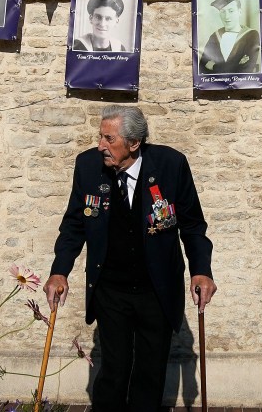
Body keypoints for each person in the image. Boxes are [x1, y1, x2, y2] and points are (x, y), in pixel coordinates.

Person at [43, 105, 216, 412]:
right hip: (110, 288)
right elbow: (74, 224)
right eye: (100, 137)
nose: (100, 146)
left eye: (109, 139)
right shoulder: (88, 166)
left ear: (134, 143)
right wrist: (60, 271)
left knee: (150, 375)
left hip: (157, 288)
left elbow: (191, 225)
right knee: (113, 370)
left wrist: (201, 270)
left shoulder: (170, 165)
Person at [199, 0, 261, 74]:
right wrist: (236, 64)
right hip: (216, 85)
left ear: (239, 12)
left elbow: (248, 68)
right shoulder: (215, 36)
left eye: (231, 11)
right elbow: (202, 66)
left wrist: (214, 66)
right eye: (223, 12)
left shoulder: (251, 35)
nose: (227, 17)